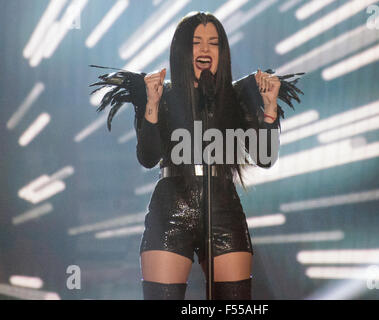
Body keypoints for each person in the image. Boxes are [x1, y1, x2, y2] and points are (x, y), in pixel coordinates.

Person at [89, 11, 303, 300]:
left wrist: (269, 110)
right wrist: (151, 106)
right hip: (171, 207)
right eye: (196, 42)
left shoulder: (239, 94)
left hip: (223, 208)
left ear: (222, 51)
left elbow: (265, 157)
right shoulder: (159, 93)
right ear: (181, 49)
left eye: (213, 43)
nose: (204, 49)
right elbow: (148, 157)